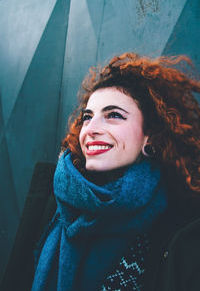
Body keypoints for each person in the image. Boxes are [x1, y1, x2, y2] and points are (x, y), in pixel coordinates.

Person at [1, 52, 200, 291]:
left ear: (150, 137)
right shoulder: (54, 200)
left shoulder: (181, 228)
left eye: (114, 115)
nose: (91, 129)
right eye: (87, 117)